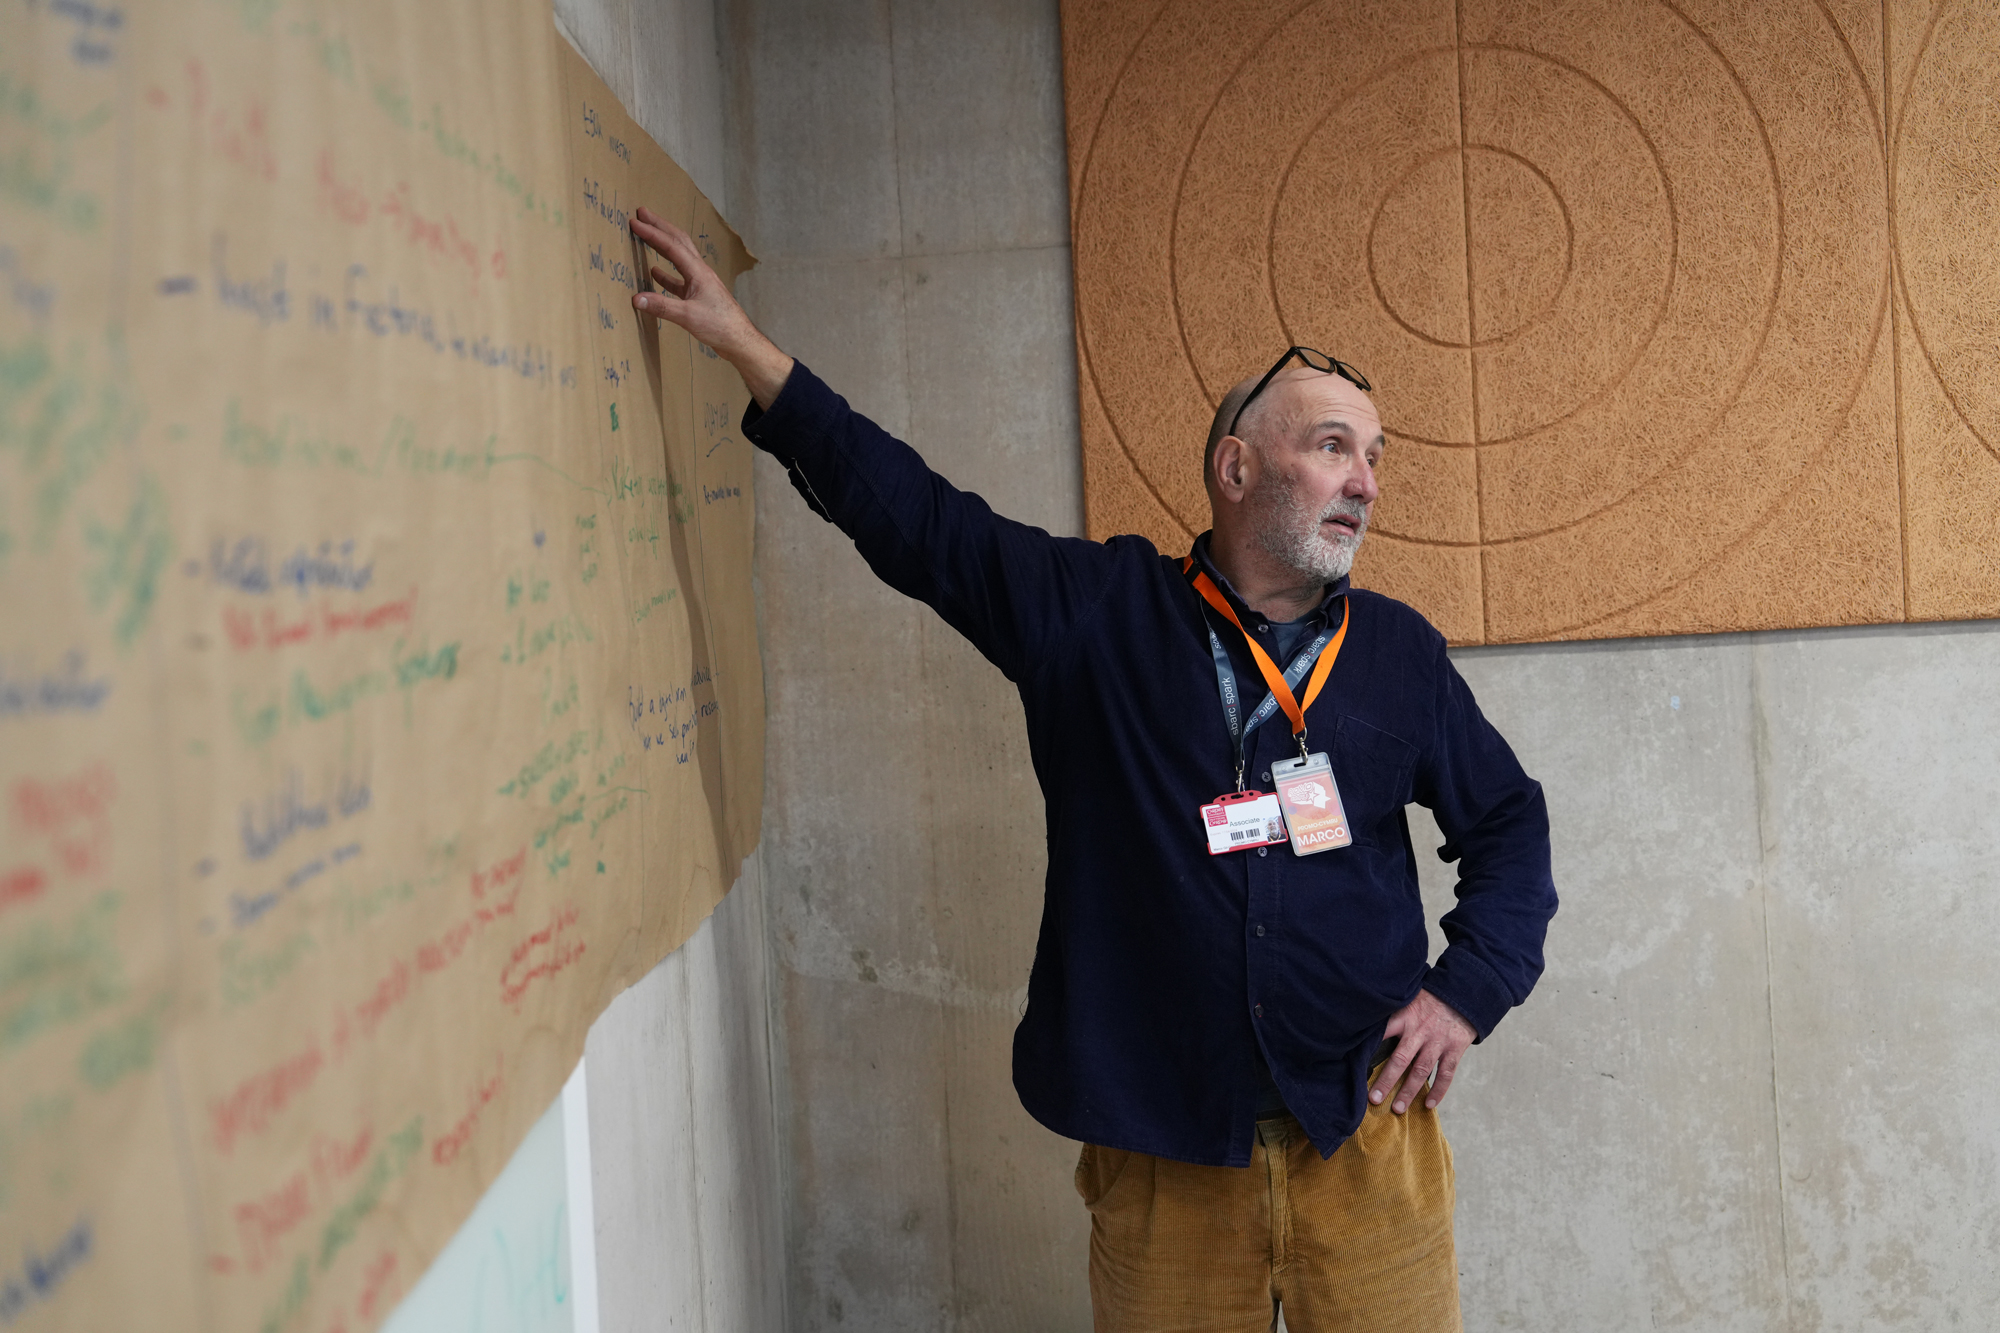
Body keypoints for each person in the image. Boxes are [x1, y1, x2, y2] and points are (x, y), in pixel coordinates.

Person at [629, 206, 1556, 1333]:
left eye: (1372, 455)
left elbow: (1507, 824)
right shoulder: (1094, 612)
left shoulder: (1398, 652)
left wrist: (1464, 993)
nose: (1362, 478)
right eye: (1329, 447)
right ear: (1233, 466)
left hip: (1364, 1137)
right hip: (1162, 1156)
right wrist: (750, 356)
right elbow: (924, 523)